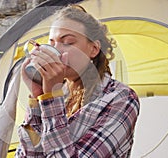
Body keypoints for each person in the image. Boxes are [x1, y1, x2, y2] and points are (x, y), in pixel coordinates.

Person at [15, 5, 140, 157]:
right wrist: (38, 95)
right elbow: (27, 155)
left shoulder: (121, 98)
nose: (56, 51)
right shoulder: (56, 93)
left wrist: (52, 99)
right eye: (52, 43)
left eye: (67, 42)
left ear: (93, 49)